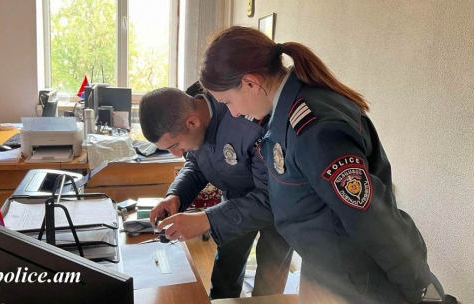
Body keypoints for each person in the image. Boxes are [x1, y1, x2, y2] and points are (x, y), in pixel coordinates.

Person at [180, 25, 457, 303]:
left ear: (251, 83)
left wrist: (424, 291)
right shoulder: (281, 115)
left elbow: (374, 219)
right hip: (324, 268)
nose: (233, 112)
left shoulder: (314, 128)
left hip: (356, 280)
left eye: (227, 102)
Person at [138, 84, 293, 299]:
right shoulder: (192, 122)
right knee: (225, 273)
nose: (176, 154)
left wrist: (207, 220)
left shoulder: (247, 122)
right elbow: (196, 164)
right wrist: (176, 196)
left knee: (270, 283)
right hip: (234, 203)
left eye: (175, 144)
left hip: (277, 208)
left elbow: (270, 198)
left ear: (192, 122)